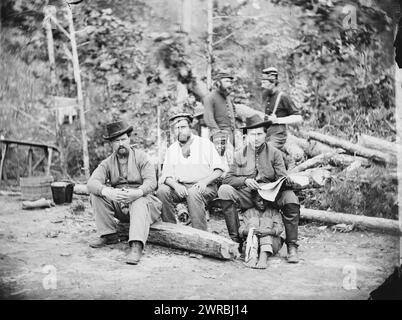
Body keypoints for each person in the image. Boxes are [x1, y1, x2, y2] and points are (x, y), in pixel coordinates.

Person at [217, 114, 301, 263]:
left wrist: (282, 183)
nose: (256, 138)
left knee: (291, 198)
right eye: (252, 134)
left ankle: (291, 246)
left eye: (259, 134)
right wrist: (245, 180)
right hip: (249, 196)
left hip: (271, 196)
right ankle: (237, 241)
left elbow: (282, 177)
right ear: (247, 136)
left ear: (265, 134)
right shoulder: (240, 154)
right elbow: (227, 178)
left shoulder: (275, 153)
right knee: (224, 190)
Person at [87, 120, 161, 265]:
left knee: (139, 201)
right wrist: (107, 191)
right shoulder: (107, 162)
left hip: (145, 204)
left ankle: (136, 244)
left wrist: (138, 192)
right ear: (111, 144)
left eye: (123, 139)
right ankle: (109, 235)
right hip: (121, 204)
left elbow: (152, 182)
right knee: (96, 194)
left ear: (129, 139)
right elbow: (91, 183)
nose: (121, 144)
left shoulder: (141, 157)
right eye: (116, 141)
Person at [156, 113, 227, 231]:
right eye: (176, 128)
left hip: (205, 185)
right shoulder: (172, 149)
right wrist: (176, 185)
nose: (180, 131)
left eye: (183, 127)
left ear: (190, 128)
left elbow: (219, 170)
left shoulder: (204, 144)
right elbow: (166, 175)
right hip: (181, 186)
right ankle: (170, 229)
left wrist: (204, 182)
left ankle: (200, 234)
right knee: (162, 191)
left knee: (194, 192)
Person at [240, 190, 285, 269]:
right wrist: (252, 231)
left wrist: (266, 231)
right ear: (254, 200)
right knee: (254, 221)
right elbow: (241, 230)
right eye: (259, 201)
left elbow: (279, 228)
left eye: (264, 200)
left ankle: (263, 257)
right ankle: (252, 256)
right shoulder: (248, 213)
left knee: (266, 221)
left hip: (271, 246)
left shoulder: (274, 212)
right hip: (251, 245)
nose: (262, 203)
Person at [261, 67, 302, 151]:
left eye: (264, 82)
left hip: (278, 136)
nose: (262, 86)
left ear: (273, 82)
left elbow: (298, 117)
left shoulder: (282, 97)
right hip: (267, 134)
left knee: (265, 153)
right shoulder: (269, 97)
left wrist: (278, 120)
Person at [203, 71, 238, 147]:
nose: (230, 84)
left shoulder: (228, 97)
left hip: (232, 136)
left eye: (230, 82)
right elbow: (209, 119)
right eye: (226, 81)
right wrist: (219, 135)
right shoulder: (209, 98)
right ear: (218, 83)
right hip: (219, 137)